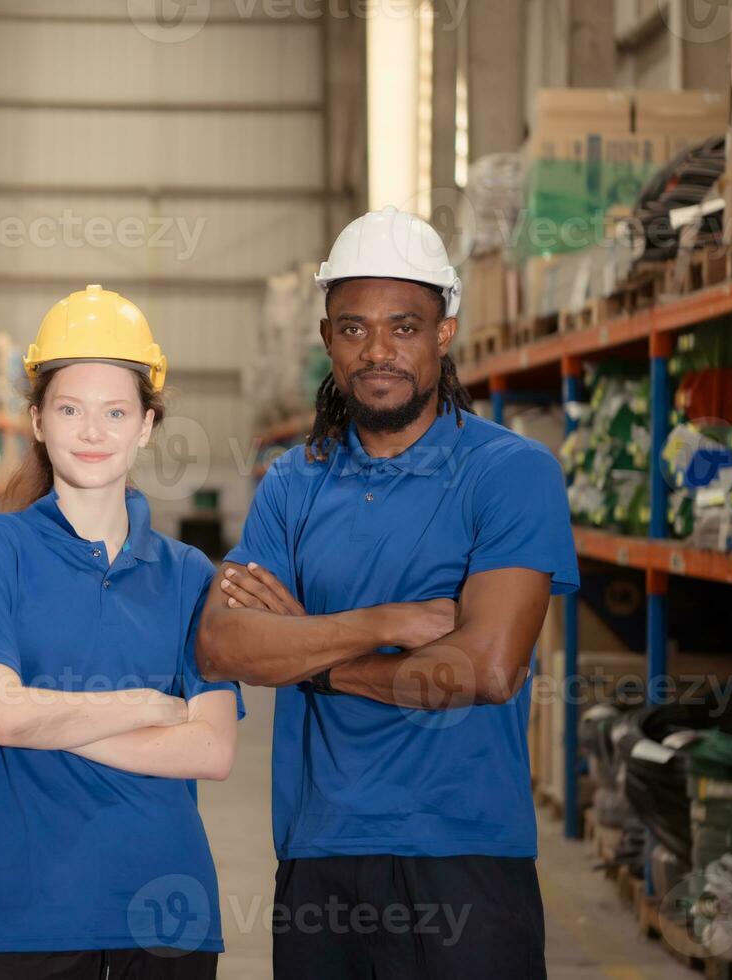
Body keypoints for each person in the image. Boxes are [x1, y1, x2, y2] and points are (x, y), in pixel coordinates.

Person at [195, 207, 580, 979]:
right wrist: (385, 623)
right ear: (327, 338)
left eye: (404, 327)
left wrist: (315, 658)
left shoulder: (510, 472)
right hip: (320, 850)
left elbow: (486, 670)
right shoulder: (292, 484)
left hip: (466, 854)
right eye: (353, 327)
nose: (377, 350)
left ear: (445, 332)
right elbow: (222, 643)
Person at [0, 285, 244, 980]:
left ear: (146, 426)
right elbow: (2, 717)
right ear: (37, 419)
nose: (92, 433)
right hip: (19, 913)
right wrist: (149, 706)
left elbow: (212, 748)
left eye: (116, 412)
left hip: (166, 911)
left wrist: (51, 716)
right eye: (70, 409)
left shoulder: (189, 575)